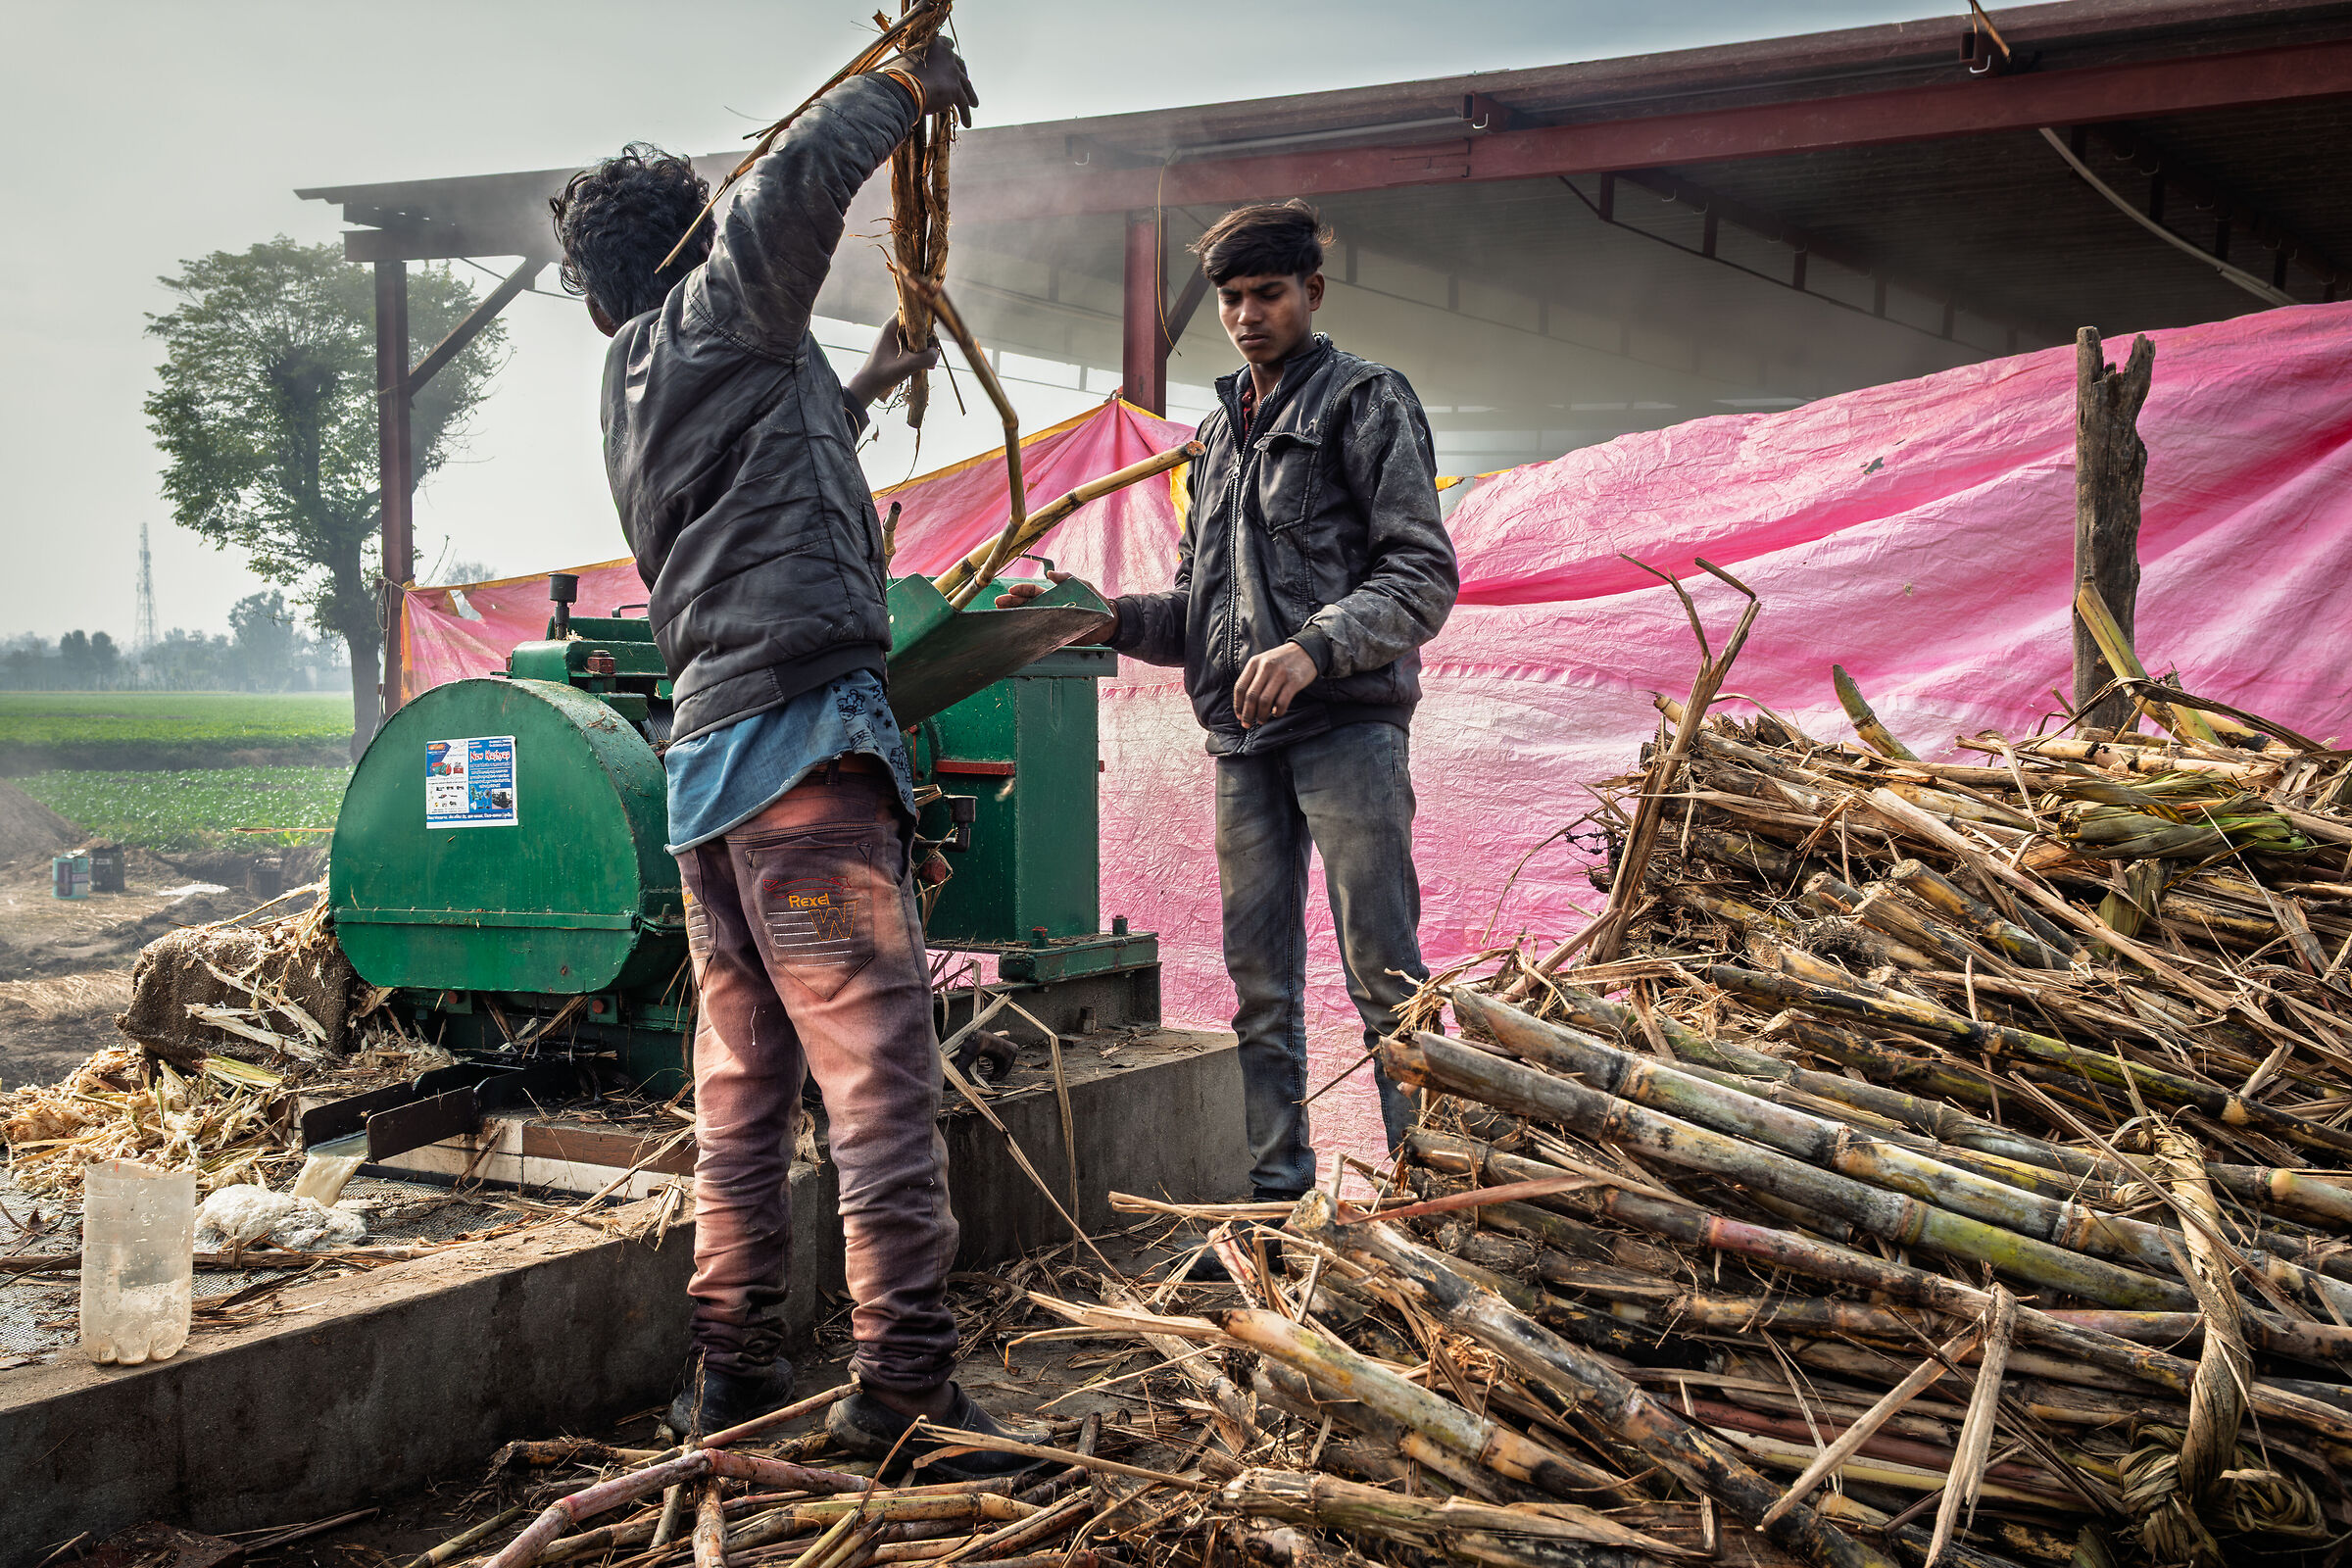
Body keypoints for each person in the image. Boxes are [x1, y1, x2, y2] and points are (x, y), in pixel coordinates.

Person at [551, 41, 1030, 1475]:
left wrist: (866, 383)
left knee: (744, 1096)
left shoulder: (639, 378)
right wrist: (904, 86)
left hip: (713, 785)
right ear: (696, 244)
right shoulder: (719, 314)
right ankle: (904, 1394)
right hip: (807, 770)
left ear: (593, 296)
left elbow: (755, 461)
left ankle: (732, 1374)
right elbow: (803, 185)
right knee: (881, 1085)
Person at [1000, 201, 1457, 1209]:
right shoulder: (1214, 438)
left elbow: (1422, 574)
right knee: (1260, 987)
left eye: (1269, 294)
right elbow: (1199, 611)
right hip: (1244, 747)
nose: (1249, 314)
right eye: (1231, 298)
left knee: (1387, 978)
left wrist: (1314, 648)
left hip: (1347, 735)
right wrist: (1100, 617)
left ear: (1313, 293)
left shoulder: (1364, 402)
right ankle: (1270, 1206)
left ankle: (1435, 1205)